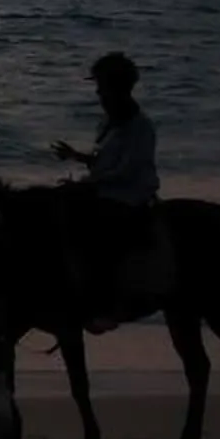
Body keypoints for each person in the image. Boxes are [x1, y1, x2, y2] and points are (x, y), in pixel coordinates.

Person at [53, 51, 160, 326]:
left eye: (102, 88)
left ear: (118, 90)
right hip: (105, 191)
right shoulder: (108, 124)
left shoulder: (141, 127)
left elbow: (127, 171)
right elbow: (103, 162)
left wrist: (87, 184)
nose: (99, 94)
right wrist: (76, 157)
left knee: (92, 230)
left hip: (130, 197)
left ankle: (104, 298)